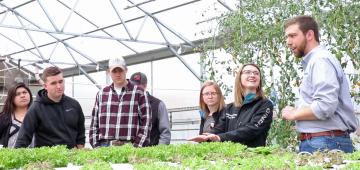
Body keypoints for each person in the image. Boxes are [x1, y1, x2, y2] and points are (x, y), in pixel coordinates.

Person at [281, 15, 358, 153]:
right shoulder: (316, 61)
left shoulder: (320, 60)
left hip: (325, 143)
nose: (288, 41)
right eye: (286, 37)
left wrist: (294, 114)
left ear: (309, 34)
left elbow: (325, 106)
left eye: (292, 35)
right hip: (325, 141)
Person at [188, 64, 273, 147]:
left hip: (252, 157)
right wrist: (207, 138)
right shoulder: (229, 108)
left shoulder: (265, 105)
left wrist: (219, 137)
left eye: (256, 73)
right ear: (239, 78)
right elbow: (219, 128)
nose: (252, 75)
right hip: (230, 157)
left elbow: (252, 129)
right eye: (247, 72)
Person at [15, 66, 85, 149]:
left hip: (72, 157)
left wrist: (80, 152)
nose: (59, 86)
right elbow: (23, 139)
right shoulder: (36, 108)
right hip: (47, 159)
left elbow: (81, 134)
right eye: (53, 83)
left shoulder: (74, 105)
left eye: (61, 81)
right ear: (45, 86)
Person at [89, 57, 151, 148]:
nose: (118, 74)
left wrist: (137, 147)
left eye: (120, 71)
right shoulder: (102, 94)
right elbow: (94, 124)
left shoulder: (139, 93)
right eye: (114, 71)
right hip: (105, 146)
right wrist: (97, 147)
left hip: (130, 146)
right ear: (108, 72)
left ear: (126, 70)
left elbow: (146, 123)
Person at [130, 72, 171, 146]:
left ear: (145, 85)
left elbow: (165, 133)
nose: (135, 89)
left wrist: (158, 152)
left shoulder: (158, 104)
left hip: (151, 153)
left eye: (138, 86)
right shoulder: (128, 105)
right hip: (131, 153)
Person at [0, 83, 33, 148]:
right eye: (18, 94)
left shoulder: (39, 116)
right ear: (11, 98)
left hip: (37, 157)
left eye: (24, 92)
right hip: (10, 157)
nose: (22, 96)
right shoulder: (3, 118)